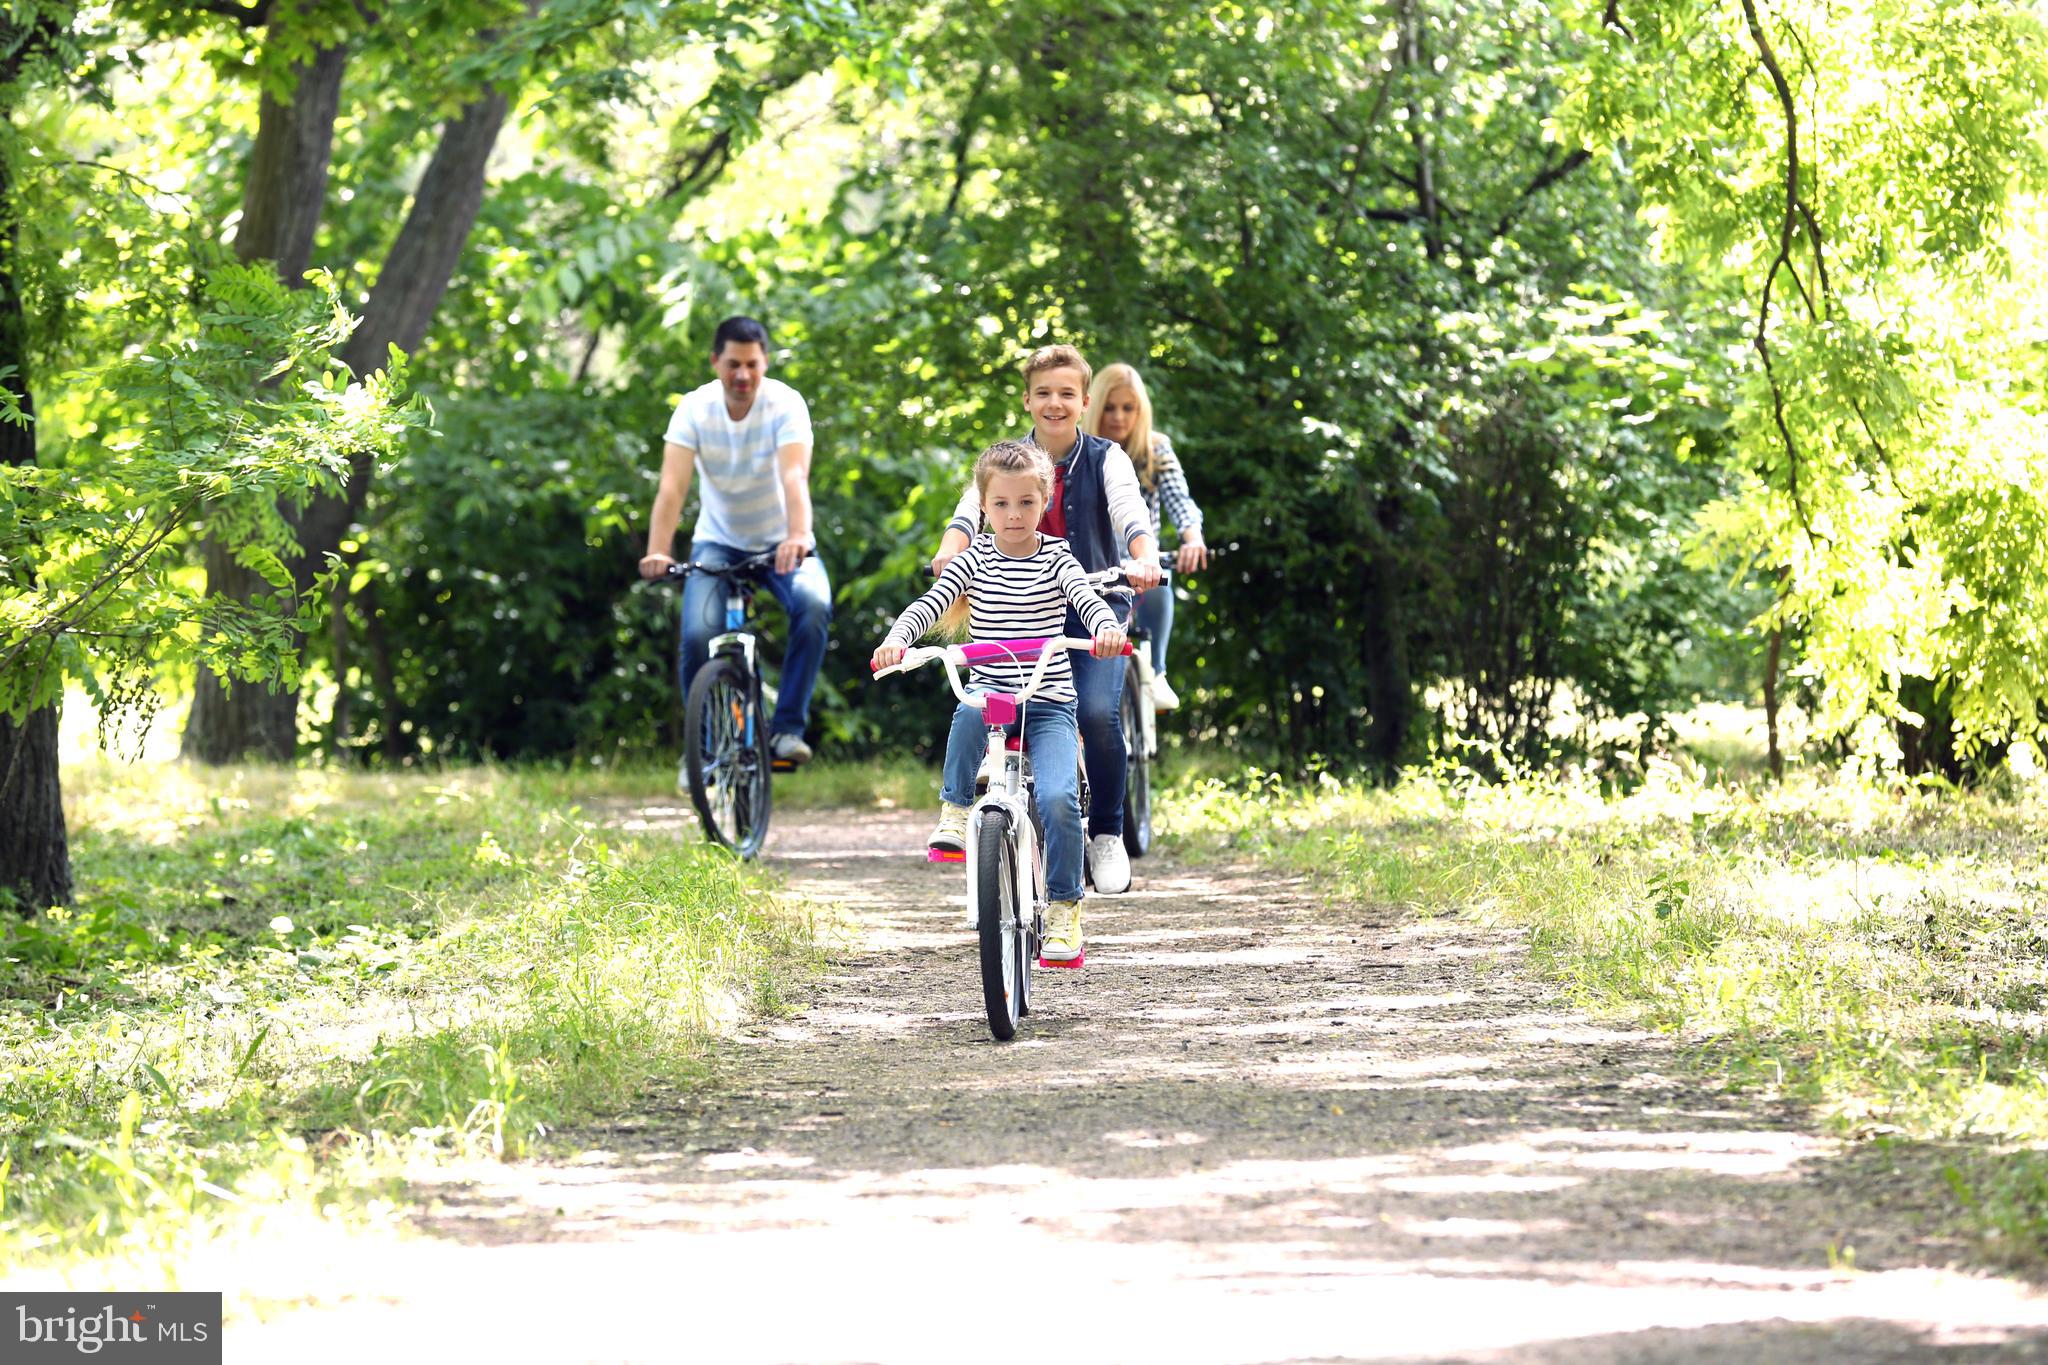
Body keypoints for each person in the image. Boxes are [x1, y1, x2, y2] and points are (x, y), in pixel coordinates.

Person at [876, 440, 1126, 966]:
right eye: (1002, 504)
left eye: (1027, 503)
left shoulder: (1058, 557)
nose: (1014, 515)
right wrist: (899, 639)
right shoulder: (974, 560)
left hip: (1050, 700)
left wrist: (1104, 629)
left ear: (1044, 502)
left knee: (1059, 799)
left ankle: (1063, 909)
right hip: (992, 696)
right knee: (967, 706)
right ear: (983, 508)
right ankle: (955, 808)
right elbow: (931, 604)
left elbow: (1086, 601)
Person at [930, 344, 1160, 896]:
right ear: (1028, 400)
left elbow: (1129, 512)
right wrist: (949, 550)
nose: (1054, 403)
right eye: (1043, 393)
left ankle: (1106, 831)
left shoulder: (1107, 458)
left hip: (1095, 607)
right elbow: (970, 508)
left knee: (1100, 712)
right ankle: (990, 812)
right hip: (1023, 611)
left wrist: (1145, 556)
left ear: (1084, 401)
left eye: (1066, 394)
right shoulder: (1011, 458)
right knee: (986, 702)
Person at [639, 315, 830, 765]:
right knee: (697, 634)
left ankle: (786, 731)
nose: (742, 375)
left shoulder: (785, 404)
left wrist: (798, 534)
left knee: (813, 604)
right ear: (715, 362)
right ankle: (701, 753)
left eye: (751, 364)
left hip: (783, 542)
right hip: (718, 543)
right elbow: (672, 487)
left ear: (764, 363)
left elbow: (794, 475)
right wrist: (658, 550)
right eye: (732, 364)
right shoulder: (694, 408)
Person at [1083, 362, 1207, 712]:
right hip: (1092, 566)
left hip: (1139, 562)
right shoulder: (1081, 451)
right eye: (1109, 407)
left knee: (1158, 583)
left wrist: (1192, 538)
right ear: (1093, 407)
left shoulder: (1155, 450)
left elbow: (1179, 500)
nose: (1119, 417)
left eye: (1128, 407)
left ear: (1141, 410)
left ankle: (1156, 672)